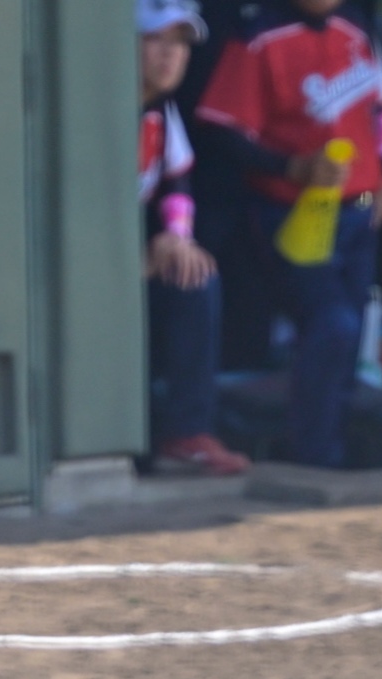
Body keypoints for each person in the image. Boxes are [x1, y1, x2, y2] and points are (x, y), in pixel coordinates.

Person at [194, 0, 382, 467]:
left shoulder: (356, 28)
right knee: (332, 324)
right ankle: (315, 454)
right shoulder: (259, 37)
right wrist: (290, 166)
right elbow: (222, 131)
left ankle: (336, 449)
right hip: (295, 208)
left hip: (361, 204)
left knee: (350, 332)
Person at [140, 0, 248, 475]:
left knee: (195, 276)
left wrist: (177, 237)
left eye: (180, 43)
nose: (171, 54)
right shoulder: (100, 109)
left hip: (139, 264)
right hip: (87, 272)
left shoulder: (162, 109)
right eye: (155, 39)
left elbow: (177, 182)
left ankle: (186, 434)